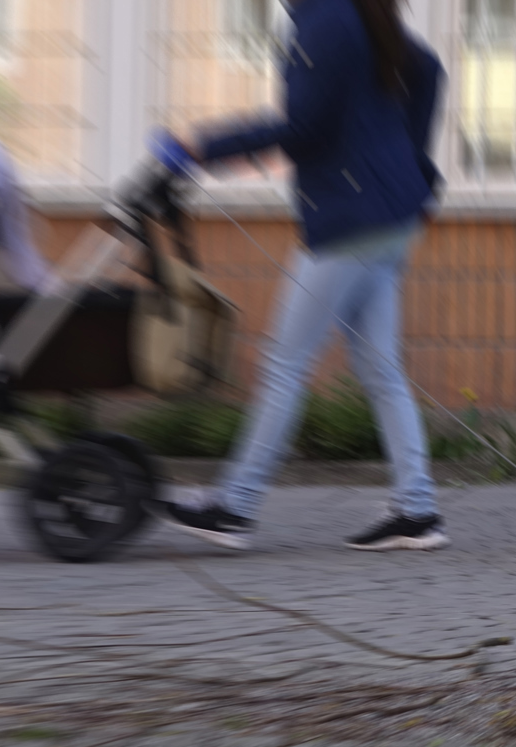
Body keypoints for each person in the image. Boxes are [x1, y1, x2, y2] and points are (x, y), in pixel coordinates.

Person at [149, 0, 448, 552]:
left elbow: (303, 127)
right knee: (381, 368)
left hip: (352, 221)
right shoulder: (358, 12)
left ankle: (234, 506)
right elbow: (429, 70)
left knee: (285, 363)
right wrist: (418, 172)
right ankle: (417, 509)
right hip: (392, 215)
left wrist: (200, 147)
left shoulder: (326, 19)